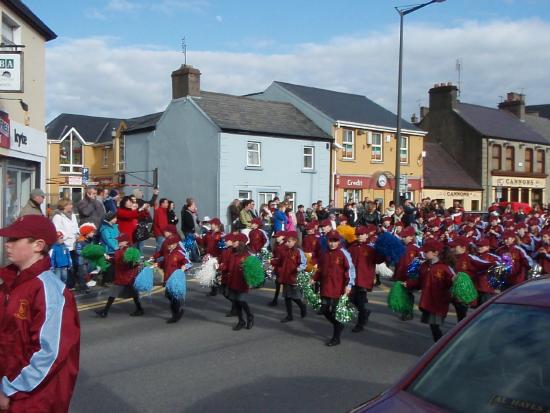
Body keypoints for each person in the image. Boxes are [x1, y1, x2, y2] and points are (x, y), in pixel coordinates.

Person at [0, 215, 80, 412]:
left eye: (14, 240)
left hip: (34, 398)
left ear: (38, 245)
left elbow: (49, 353)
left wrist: (10, 389)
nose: (7, 245)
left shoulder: (49, 289)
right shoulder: (9, 285)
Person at [312, 230, 355, 346]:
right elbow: (320, 269)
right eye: (330, 241)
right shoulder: (324, 253)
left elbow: (349, 270)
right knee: (324, 309)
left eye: (335, 241)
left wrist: (349, 284)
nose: (332, 243)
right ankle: (338, 324)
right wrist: (314, 278)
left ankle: (336, 338)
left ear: (339, 241)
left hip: (338, 287)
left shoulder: (343, 253)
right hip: (326, 286)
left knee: (336, 312)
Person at [407, 239, 456, 342]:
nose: (423, 253)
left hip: (438, 302)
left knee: (435, 326)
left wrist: (454, 281)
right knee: (433, 326)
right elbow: (419, 282)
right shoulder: (424, 265)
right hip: (427, 300)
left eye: (426, 251)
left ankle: (441, 346)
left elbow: (453, 283)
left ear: (435, 253)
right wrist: (408, 284)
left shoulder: (445, 268)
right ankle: (440, 345)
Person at [95, 233, 144, 317]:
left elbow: (129, 264)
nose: (118, 242)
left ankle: (105, 312)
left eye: (120, 241)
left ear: (126, 242)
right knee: (129, 294)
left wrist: (134, 263)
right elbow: (117, 262)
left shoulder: (128, 251)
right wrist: (109, 259)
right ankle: (105, 311)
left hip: (126, 277)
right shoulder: (122, 251)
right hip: (123, 276)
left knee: (118, 294)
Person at [347, 226, 383, 332]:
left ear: (367, 235)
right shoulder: (352, 247)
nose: (359, 236)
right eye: (357, 234)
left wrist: (385, 254)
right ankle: (365, 313)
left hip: (364, 279)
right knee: (351, 299)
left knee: (361, 301)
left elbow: (379, 260)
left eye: (362, 234)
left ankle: (360, 323)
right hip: (353, 279)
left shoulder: (371, 249)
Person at [277, 231, 307, 323]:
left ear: (295, 241)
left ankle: (302, 306)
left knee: (294, 297)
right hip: (286, 276)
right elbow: (280, 261)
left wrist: (299, 268)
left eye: (289, 241)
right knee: (287, 297)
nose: (287, 243)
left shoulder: (298, 251)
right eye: (286, 242)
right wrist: (272, 262)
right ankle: (289, 315)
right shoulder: (284, 251)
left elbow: (303, 263)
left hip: (294, 277)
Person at [226, 233, 254, 331]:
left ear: (240, 243)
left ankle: (250, 316)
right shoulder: (233, 253)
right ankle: (241, 320)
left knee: (241, 300)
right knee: (236, 301)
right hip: (233, 280)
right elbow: (228, 266)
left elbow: (252, 269)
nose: (232, 243)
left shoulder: (247, 255)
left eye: (235, 241)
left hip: (242, 281)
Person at [51, 198, 80, 288]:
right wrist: (67, 236)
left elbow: (75, 227)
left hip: (74, 244)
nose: (71, 206)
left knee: (75, 265)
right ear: (64, 206)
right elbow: (57, 230)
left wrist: (77, 233)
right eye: (69, 204)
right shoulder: (58, 217)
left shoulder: (73, 215)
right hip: (64, 245)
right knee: (65, 267)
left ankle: (72, 284)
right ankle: (66, 285)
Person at [99, 211, 119, 285]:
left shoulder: (115, 226)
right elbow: (108, 239)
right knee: (108, 266)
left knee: (114, 266)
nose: (116, 219)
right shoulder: (104, 228)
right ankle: (106, 281)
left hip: (115, 249)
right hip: (109, 250)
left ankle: (112, 279)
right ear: (109, 219)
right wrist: (115, 247)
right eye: (114, 218)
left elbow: (118, 236)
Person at [268, 231, 286, 306]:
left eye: (278, 237)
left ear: (283, 237)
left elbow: (281, 259)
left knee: (286, 286)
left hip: (283, 268)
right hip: (277, 267)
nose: (276, 238)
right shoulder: (276, 245)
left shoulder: (285, 246)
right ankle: (275, 300)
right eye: (276, 237)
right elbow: (275, 255)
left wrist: (272, 261)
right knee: (277, 284)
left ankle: (300, 304)